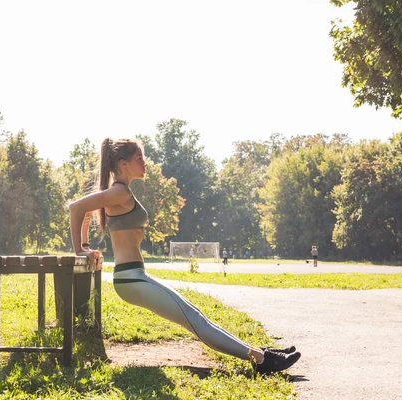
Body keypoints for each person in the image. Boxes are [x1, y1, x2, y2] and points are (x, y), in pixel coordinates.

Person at [68, 138, 300, 374]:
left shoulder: (118, 192)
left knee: (196, 316)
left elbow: (85, 213)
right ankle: (261, 360)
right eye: (140, 158)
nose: (145, 163)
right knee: (195, 321)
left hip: (135, 277)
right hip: (131, 279)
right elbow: (76, 208)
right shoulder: (119, 191)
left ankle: (259, 352)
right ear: (124, 163)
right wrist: (80, 250)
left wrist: (85, 245)